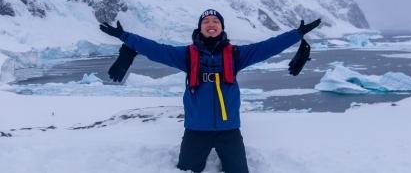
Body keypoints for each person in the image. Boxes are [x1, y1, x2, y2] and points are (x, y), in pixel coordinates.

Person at [100, 9, 321, 173]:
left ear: (222, 27)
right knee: (186, 170)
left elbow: (267, 47)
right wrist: (124, 36)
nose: (211, 23)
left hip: (229, 130)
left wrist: (297, 34)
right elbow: (157, 50)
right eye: (206, 21)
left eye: (216, 21)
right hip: (196, 130)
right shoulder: (187, 55)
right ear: (200, 28)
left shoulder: (236, 55)